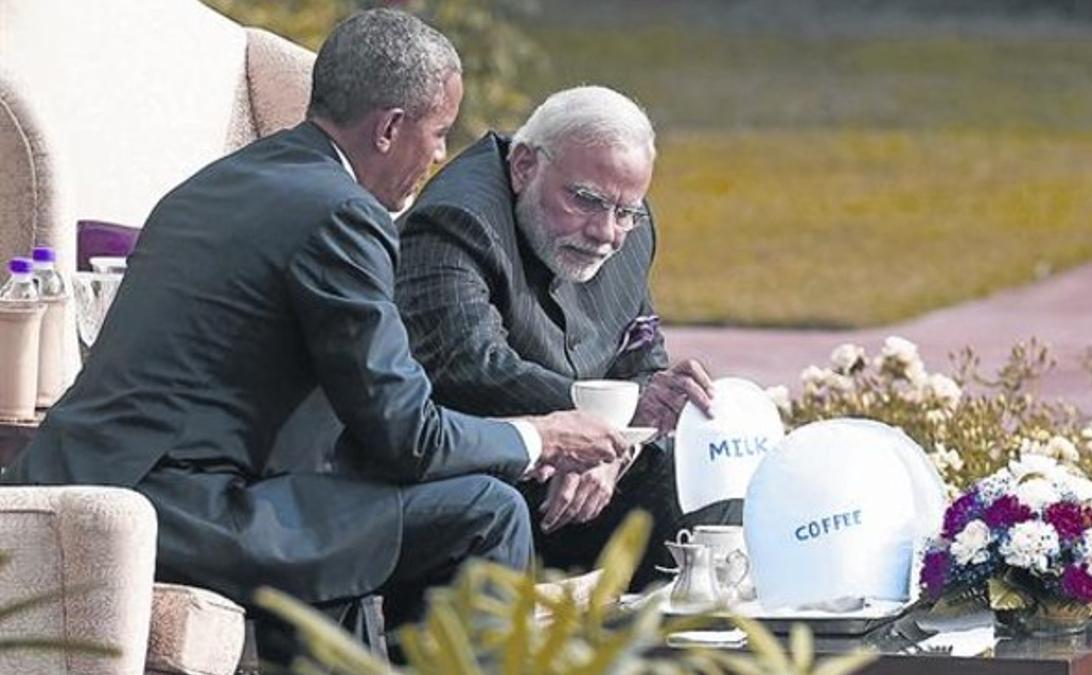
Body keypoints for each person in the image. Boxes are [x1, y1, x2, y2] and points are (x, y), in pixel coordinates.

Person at [2, 8, 629, 653]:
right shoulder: (341, 214)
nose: (442, 155)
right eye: (439, 134)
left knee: (361, 519)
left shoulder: (217, 185)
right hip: (179, 509)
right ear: (389, 128)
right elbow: (408, 436)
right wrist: (539, 438)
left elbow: (372, 415)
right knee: (485, 511)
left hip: (120, 482)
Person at [395, 86, 739, 587]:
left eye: (625, 212)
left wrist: (628, 434)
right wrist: (601, 433)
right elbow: (472, 367)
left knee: (703, 480)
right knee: (493, 503)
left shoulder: (629, 226)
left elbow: (638, 359)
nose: (606, 233)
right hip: (483, 469)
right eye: (585, 201)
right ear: (524, 167)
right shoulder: (456, 220)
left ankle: (679, 653)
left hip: (578, 481)